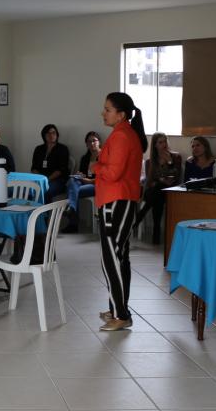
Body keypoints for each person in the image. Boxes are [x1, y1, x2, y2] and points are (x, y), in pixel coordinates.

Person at [91, 92, 147, 331]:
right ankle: (118, 308)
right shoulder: (123, 133)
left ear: (121, 114)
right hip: (118, 200)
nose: (103, 113)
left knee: (111, 258)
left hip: (117, 201)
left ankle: (121, 315)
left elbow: (113, 173)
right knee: (119, 257)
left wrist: (96, 166)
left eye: (107, 109)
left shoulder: (122, 135)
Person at [134, 132, 182, 244]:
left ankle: (139, 218)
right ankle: (156, 233)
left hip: (169, 191)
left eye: (165, 141)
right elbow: (149, 181)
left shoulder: (176, 157)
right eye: (160, 142)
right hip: (154, 191)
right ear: (155, 145)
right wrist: (160, 180)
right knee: (157, 193)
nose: (164, 144)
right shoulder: (150, 162)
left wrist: (169, 162)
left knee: (158, 192)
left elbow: (175, 177)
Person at [62, 132, 102, 233]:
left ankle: (73, 221)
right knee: (72, 181)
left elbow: (103, 177)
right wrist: (80, 175)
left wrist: (87, 180)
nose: (92, 143)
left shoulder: (104, 156)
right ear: (86, 144)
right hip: (84, 182)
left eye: (94, 141)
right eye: (89, 141)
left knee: (72, 190)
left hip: (97, 184)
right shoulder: (85, 158)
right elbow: (83, 173)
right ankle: (71, 208)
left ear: (99, 142)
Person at [30, 124, 70, 202]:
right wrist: (41, 179)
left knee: (45, 191)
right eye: (48, 133)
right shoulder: (38, 149)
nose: (51, 135)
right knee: (28, 189)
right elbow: (34, 168)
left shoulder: (62, 149)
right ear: (44, 135)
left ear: (57, 135)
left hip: (57, 180)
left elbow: (61, 170)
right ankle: (31, 208)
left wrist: (46, 180)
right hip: (40, 179)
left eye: (53, 133)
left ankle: (43, 210)